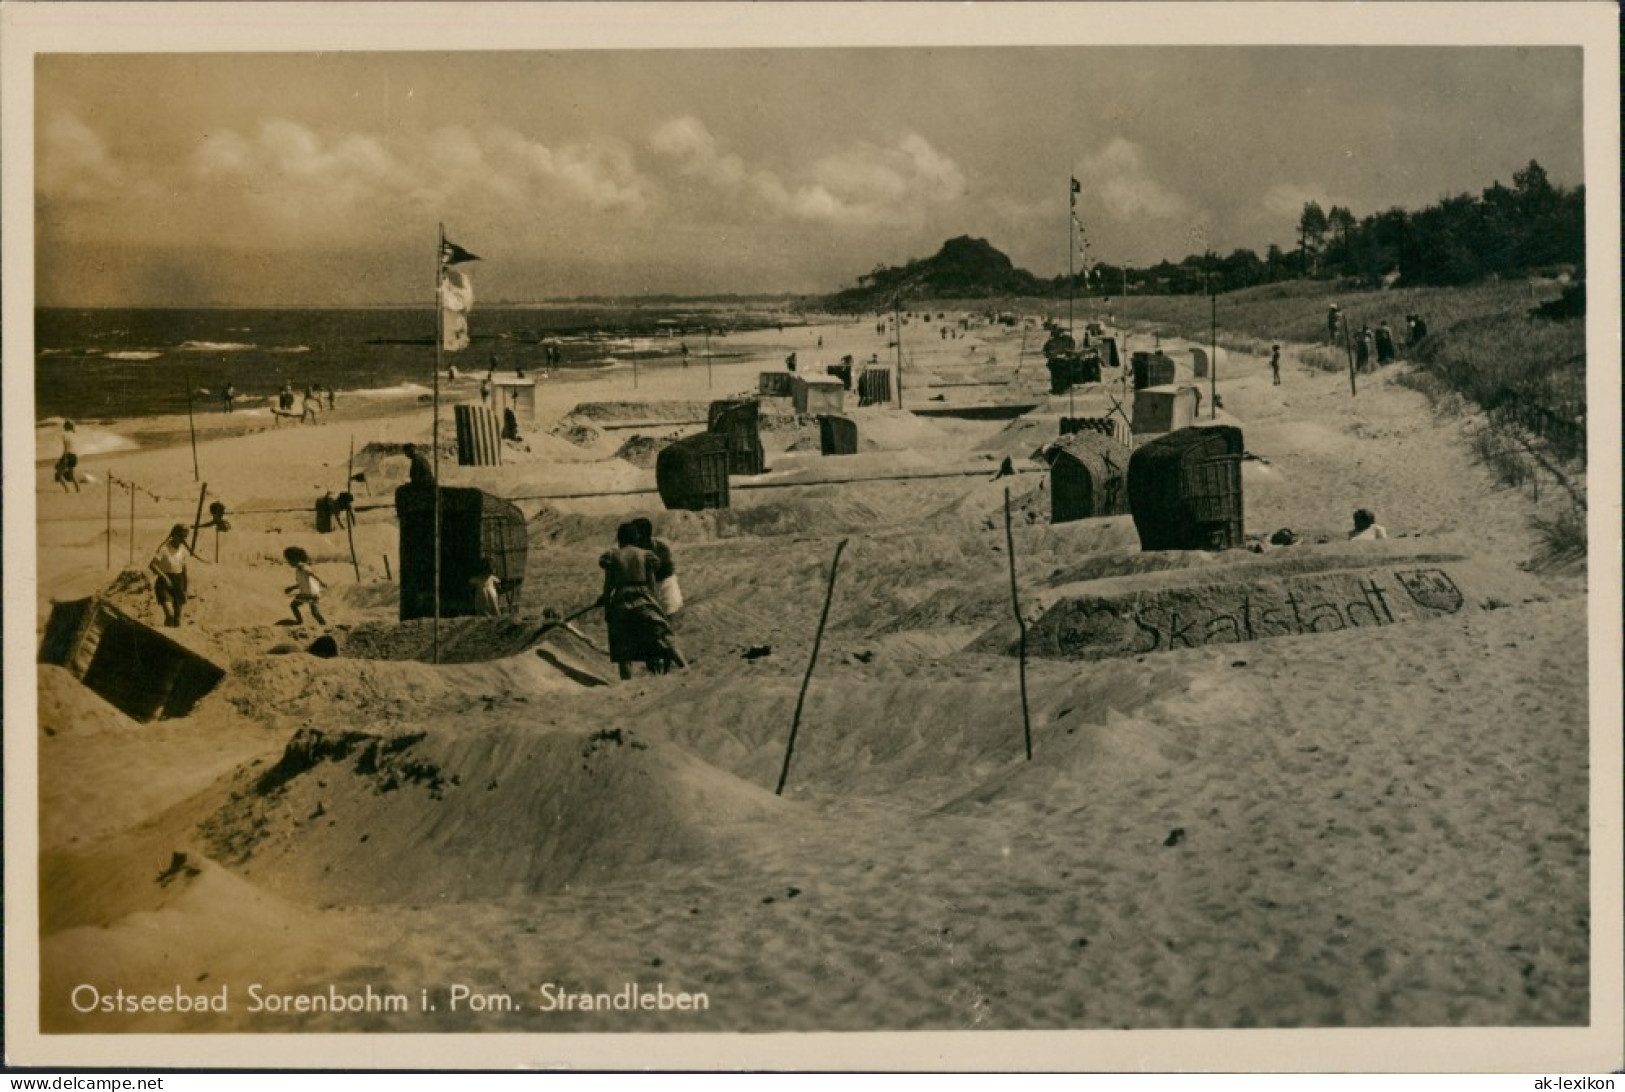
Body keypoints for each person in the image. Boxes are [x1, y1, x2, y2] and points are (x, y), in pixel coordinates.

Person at [600, 522, 687, 680]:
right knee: (663, 634)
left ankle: (626, 682)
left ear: (620, 538)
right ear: (636, 537)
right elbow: (651, 584)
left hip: (621, 599)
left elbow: (608, 587)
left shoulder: (612, 556)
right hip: (644, 597)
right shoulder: (646, 555)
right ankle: (685, 667)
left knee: (623, 644)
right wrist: (653, 604)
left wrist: (607, 606)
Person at [150, 523, 204, 627]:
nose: (182, 539)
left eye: (185, 537)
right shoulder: (164, 549)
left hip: (178, 583)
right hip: (164, 584)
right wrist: (164, 577)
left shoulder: (183, 550)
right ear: (174, 535)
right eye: (180, 536)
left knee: (177, 618)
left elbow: (184, 570)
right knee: (170, 615)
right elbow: (152, 565)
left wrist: (185, 590)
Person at [631, 517, 683, 620]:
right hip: (649, 589)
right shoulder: (635, 549)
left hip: (664, 586)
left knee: (670, 617)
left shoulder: (660, 548)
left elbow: (665, 571)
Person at [283, 546, 328, 625]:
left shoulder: (303, 567)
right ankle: (300, 622)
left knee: (314, 613)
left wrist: (322, 583)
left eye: (289, 560)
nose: (289, 563)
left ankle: (323, 625)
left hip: (312, 593)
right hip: (305, 593)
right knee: (294, 606)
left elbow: (313, 574)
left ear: (295, 559)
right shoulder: (298, 569)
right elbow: (301, 583)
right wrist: (291, 588)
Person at [54, 420, 80, 493]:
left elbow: (66, 448)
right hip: (74, 456)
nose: (63, 426)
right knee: (72, 475)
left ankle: (67, 490)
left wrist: (63, 458)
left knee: (59, 474)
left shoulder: (65, 435)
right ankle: (78, 490)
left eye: (64, 425)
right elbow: (74, 447)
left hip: (68, 455)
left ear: (66, 426)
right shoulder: (74, 434)